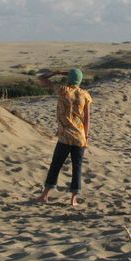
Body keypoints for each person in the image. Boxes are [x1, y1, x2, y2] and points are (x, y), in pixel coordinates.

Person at [37, 68, 92, 207]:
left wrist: (56, 73)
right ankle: (73, 200)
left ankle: (44, 195)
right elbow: (87, 118)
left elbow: (41, 79)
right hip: (79, 137)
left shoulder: (63, 90)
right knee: (77, 167)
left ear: (69, 78)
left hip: (65, 137)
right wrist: (86, 136)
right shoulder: (85, 95)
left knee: (56, 165)